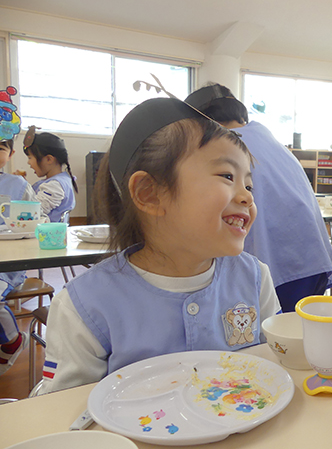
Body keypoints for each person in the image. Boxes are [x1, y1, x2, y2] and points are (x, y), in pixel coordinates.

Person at [37, 97, 280, 394]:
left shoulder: (254, 279)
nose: (247, 197)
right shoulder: (84, 307)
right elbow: (65, 411)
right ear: (149, 193)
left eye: (249, 185)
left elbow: (273, 369)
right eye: (227, 176)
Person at [185, 84, 332, 313]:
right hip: (311, 259)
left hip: (273, 265)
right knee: (295, 335)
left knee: (267, 338)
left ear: (200, 122)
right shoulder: (274, 143)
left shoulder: (222, 145)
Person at [0, 86, 35, 376]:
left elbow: (37, 220)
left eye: (0, 146)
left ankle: (12, 340)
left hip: (8, 263)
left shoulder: (18, 186)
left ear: (11, 153)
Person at [23, 128, 77, 222]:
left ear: (49, 159)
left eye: (30, 157)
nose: (28, 162)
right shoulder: (59, 181)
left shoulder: (55, 185)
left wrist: (22, 185)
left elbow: (34, 212)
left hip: (48, 235)